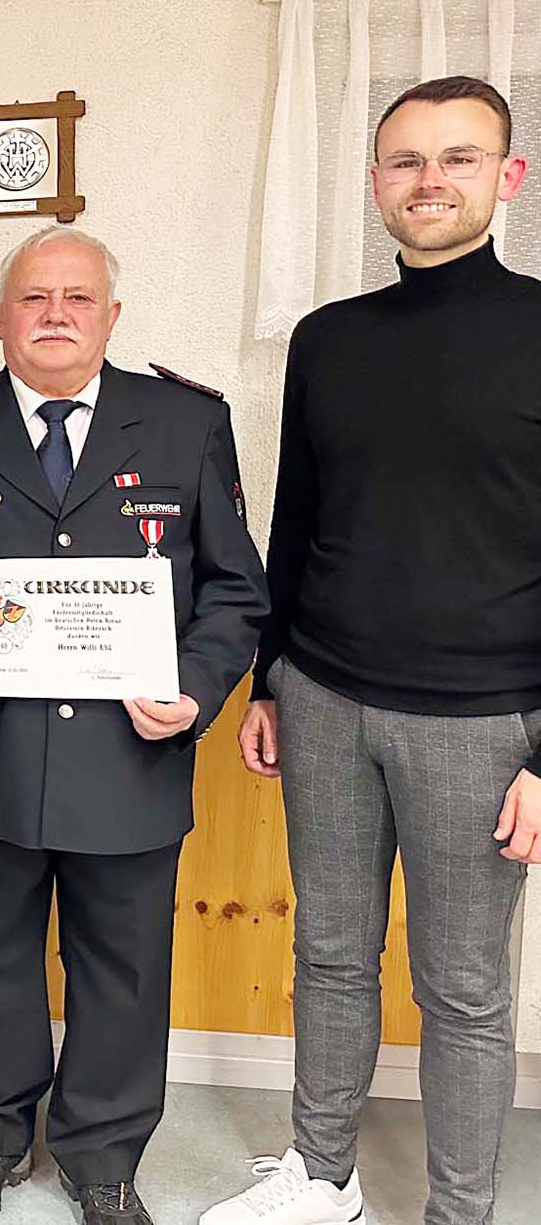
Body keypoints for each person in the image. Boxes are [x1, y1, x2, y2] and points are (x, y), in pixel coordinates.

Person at [202, 76, 541, 1225]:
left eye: (456, 158)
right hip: (323, 698)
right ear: (374, 183)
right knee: (330, 954)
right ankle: (320, 1177)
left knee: (462, 990)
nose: (427, 180)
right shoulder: (328, 339)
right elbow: (295, 516)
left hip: (481, 724)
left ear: (506, 176)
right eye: (404, 160)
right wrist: (267, 677)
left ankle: (458, 1212)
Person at [0, 226, 267, 1225]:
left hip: (131, 754)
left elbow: (234, 590)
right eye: (33, 297)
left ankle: (103, 1156)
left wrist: (195, 688)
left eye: (76, 298)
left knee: (123, 967)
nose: (54, 314)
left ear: (111, 315)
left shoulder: (185, 422)